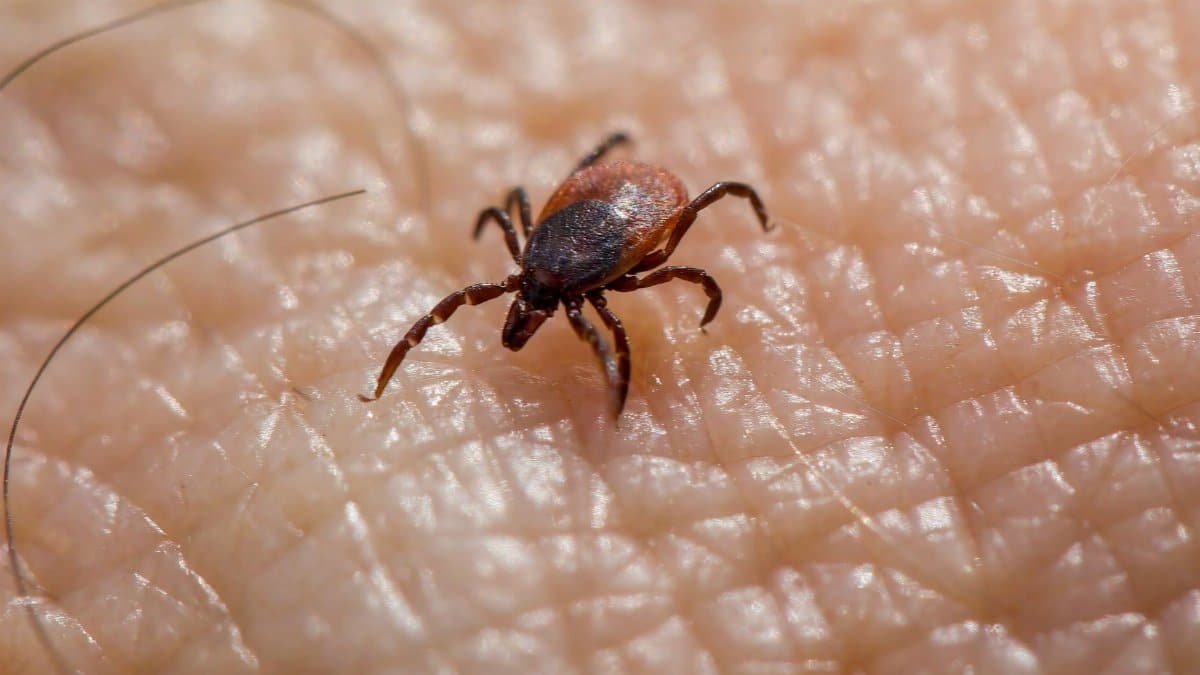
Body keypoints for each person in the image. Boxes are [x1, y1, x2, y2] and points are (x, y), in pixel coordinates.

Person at [2, 1, 1197, 672]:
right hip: (617, 206)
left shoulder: (588, 276)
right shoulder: (545, 272)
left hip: (627, 206)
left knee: (680, 229)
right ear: (526, 267)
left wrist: (637, 315)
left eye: (522, 303)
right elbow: (640, 251)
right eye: (520, 291)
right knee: (648, 223)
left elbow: (676, 252)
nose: (517, 312)